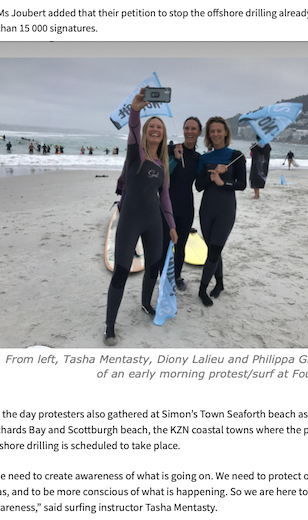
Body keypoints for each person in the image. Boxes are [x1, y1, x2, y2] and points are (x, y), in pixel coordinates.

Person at [104, 89, 177, 342]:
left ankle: (146, 304)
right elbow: (133, 127)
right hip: (130, 221)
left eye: (160, 127)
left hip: (153, 222)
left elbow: (164, 198)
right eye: (152, 126)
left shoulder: (162, 165)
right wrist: (136, 109)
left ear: (163, 134)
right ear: (146, 132)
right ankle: (109, 326)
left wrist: (171, 226)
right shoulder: (136, 154)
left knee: (153, 268)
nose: (155, 129)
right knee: (121, 272)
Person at [195, 117, 246, 307]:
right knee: (213, 249)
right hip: (207, 210)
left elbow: (242, 185)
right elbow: (198, 186)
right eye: (212, 131)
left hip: (226, 210)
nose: (215, 134)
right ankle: (220, 283)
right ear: (208, 135)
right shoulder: (204, 158)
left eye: (219, 130)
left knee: (215, 250)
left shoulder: (236, 156)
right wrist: (212, 176)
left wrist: (223, 182)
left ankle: (202, 290)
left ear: (225, 133)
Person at [161, 117, 202, 288]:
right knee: (164, 244)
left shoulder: (198, 158)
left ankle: (177, 276)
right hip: (167, 204)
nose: (189, 132)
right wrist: (175, 156)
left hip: (186, 207)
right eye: (186, 128)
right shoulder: (170, 150)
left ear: (199, 132)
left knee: (181, 245)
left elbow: (200, 184)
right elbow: (162, 174)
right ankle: (164, 276)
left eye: (193, 129)